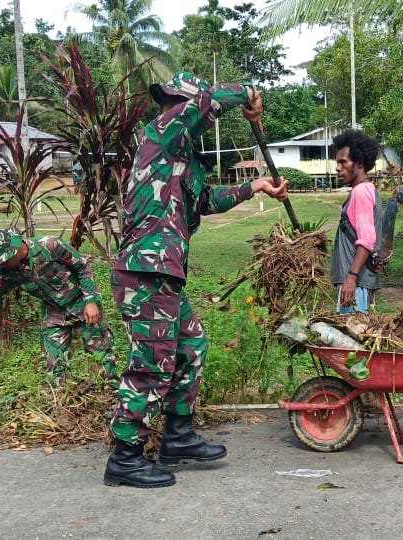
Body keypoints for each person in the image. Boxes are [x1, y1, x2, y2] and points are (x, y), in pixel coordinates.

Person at [104, 71, 288, 489]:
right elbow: (207, 103)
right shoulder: (162, 131)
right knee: (152, 363)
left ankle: (178, 435)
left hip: (165, 272)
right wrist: (250, 93)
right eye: (177, 102)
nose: (178, 109)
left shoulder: (183, 159)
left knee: (191, 346)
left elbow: (206, 202)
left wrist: (255, 186)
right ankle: (125, 457)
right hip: (144, 269)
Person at [0, 228, 116, 384]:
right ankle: (62, 401)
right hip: (54, 314)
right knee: (55, 365)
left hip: (82, 304)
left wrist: (91, 301)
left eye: (5, 259)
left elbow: (82, 268)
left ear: (14, 248)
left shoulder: (50, 245)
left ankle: (112, 394)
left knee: (101, 357)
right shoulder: (4, 271)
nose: (3, 264)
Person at [330, 129, 382, 313]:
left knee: (351, 338)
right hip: (356, 282)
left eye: (343, 162)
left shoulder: (361, 192)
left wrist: (351, 277)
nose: (337, 168)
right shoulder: (366, 190)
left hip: (356, 284)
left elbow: (367, 240)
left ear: (359, 164)